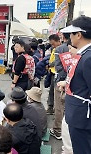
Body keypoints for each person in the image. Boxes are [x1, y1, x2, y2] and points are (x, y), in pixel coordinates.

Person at [59, 16, 91, 154]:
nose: (69, 37)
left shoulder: (88, 57)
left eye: (71, 34)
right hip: (77, 115)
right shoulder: (84, 54)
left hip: (82, 118)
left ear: (79, 35)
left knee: (82, 150)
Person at [49, 33, 70, 140]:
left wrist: (61, 81)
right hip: (72, 82)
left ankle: (57, 130)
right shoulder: (79, 49)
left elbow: (58, 67)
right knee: (67, 107)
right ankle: (66, 129)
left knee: (59, 107)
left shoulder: (60, 49)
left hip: (61, 82)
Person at [46, 34, 61, 115]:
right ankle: (51, 107)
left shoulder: (60, 49)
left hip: (57, 73)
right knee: (51, 90)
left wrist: (50, 65)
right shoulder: (54, 49)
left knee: (55, 91)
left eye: (53, 43)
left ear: (58, 41)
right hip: (52, 72)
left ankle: (53, 108)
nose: (52, 45)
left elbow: (57, 61)